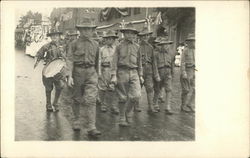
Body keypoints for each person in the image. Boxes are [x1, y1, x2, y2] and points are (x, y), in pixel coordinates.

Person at [66, 18, 101, 137]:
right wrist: (69, 76)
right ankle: (76, 120)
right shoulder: (74, 44)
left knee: (91, 99)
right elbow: (70, 59)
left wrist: (98, 75)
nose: (86, 32)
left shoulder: (96, 44)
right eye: (84, 29)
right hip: (77, 72)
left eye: (89, 29)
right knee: (77, 98)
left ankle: (92, 126)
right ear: (80, 30)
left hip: (91, 72)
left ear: (92, 31)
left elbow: (97, 61)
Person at [110, 23, 143, 127]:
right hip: (122, 72)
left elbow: (140, 62)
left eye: (132, 33)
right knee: (122, 98)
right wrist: (113, 75)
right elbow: (114, 61)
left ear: (134, 35)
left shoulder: (137, 47)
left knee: (136, 95)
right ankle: (121, 118)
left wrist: (141, 75)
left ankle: (128, 112)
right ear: (124, 34)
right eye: (127, 33)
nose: (130, 35)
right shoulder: (119, 47)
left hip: (134, 72)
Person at [34, 28, 66, 112]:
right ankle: (48, 104)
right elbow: (39, 54)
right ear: (51, 37)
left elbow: (68, 56)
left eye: (56, 35)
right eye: (53, 35)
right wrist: (37, 60)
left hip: (59, 69)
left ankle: (55, 102)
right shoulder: (46, 46)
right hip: (49, 68)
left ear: (59, 36)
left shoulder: (64, 46)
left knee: (60, 86)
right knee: (48, 88)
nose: (54, 37)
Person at [137, 26, 158, 113]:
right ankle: (136, 105)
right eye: (143, 36)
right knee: (138, 88)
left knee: (150, 88)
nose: (145, 37)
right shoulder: (137, 47)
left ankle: (150, 106)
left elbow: (154, 62)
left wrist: (156, 74)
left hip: (149, 70)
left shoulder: (151, 48)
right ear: (140, 37)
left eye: (146, 36)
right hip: (139, 70)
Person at [98, 30, 119, 114]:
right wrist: (99, 72)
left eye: (111, 39)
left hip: (114, 70)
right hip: (105, 69)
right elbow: (99, 61)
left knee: (114, 88)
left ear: (114, 40)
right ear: (105, 40)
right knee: (103, 88)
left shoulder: (117, 49)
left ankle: (114, 106)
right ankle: (104, 104)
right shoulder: (102, 49)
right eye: (107, 39)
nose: (109, 40)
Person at [153, 38, 175, 114]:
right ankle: (155, 104)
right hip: (160, 72)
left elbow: (172, 64)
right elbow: (155, 65)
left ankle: (168, 107)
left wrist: (172, 73)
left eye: (167, 44)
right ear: (160, 45)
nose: (165, 46)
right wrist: (156, 75)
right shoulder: (156, 54)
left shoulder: (170, 53)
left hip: (168, 73)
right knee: (157, 89)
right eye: (163, 45)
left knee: (169, 89)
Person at [180, 33, 195, 113]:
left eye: (194, 41)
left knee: (196, 89)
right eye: (191, 41)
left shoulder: (196, 50)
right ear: (188, 42)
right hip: (187, 71)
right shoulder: (185, 50)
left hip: (194, 71)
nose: (193, 43)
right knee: (186, 90)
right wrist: (183, 72)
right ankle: (183, 106)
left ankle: (190, 104)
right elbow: (182, 62)